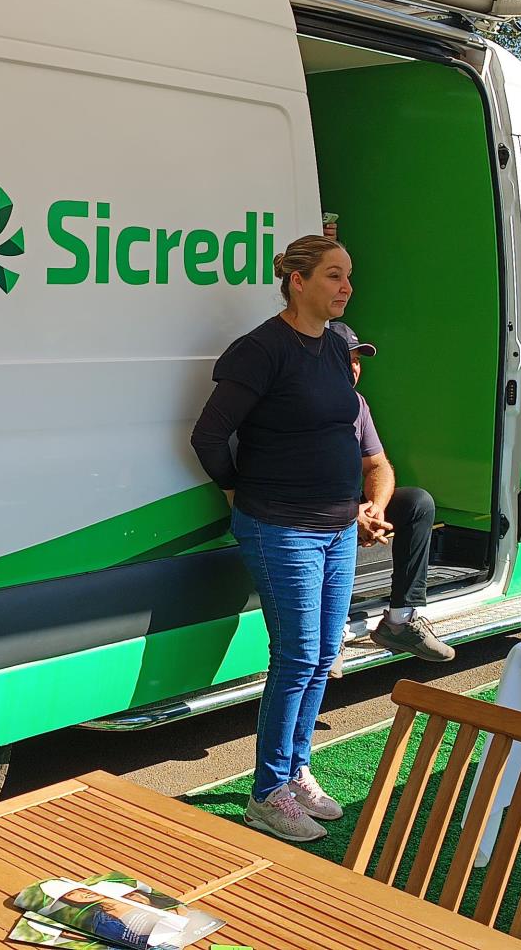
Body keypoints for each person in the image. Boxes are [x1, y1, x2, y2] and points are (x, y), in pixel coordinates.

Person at [189, 234, 357, 843]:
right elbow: (209, 437)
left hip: (338, 527)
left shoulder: (338, 344)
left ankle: (297, 768)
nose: (346, 288)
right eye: (335, 277)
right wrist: (238, 490)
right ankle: (266, 793)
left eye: (347, 277)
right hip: (280, 527)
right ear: (297, 281)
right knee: (296, 655)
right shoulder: (260, 350)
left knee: (322, 654)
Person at [327, 321, 452, 667]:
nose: (353, 367)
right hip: (316, 508)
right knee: (329, 522)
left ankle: (400, 620)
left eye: (356, 360)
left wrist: (376, 509)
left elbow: (379, 466)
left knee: (417, 504)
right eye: (344, 359)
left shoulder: (357, 404)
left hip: (352, 504)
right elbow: (306, 484)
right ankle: (329, 633)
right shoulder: (304, 405)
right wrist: (353, 514)